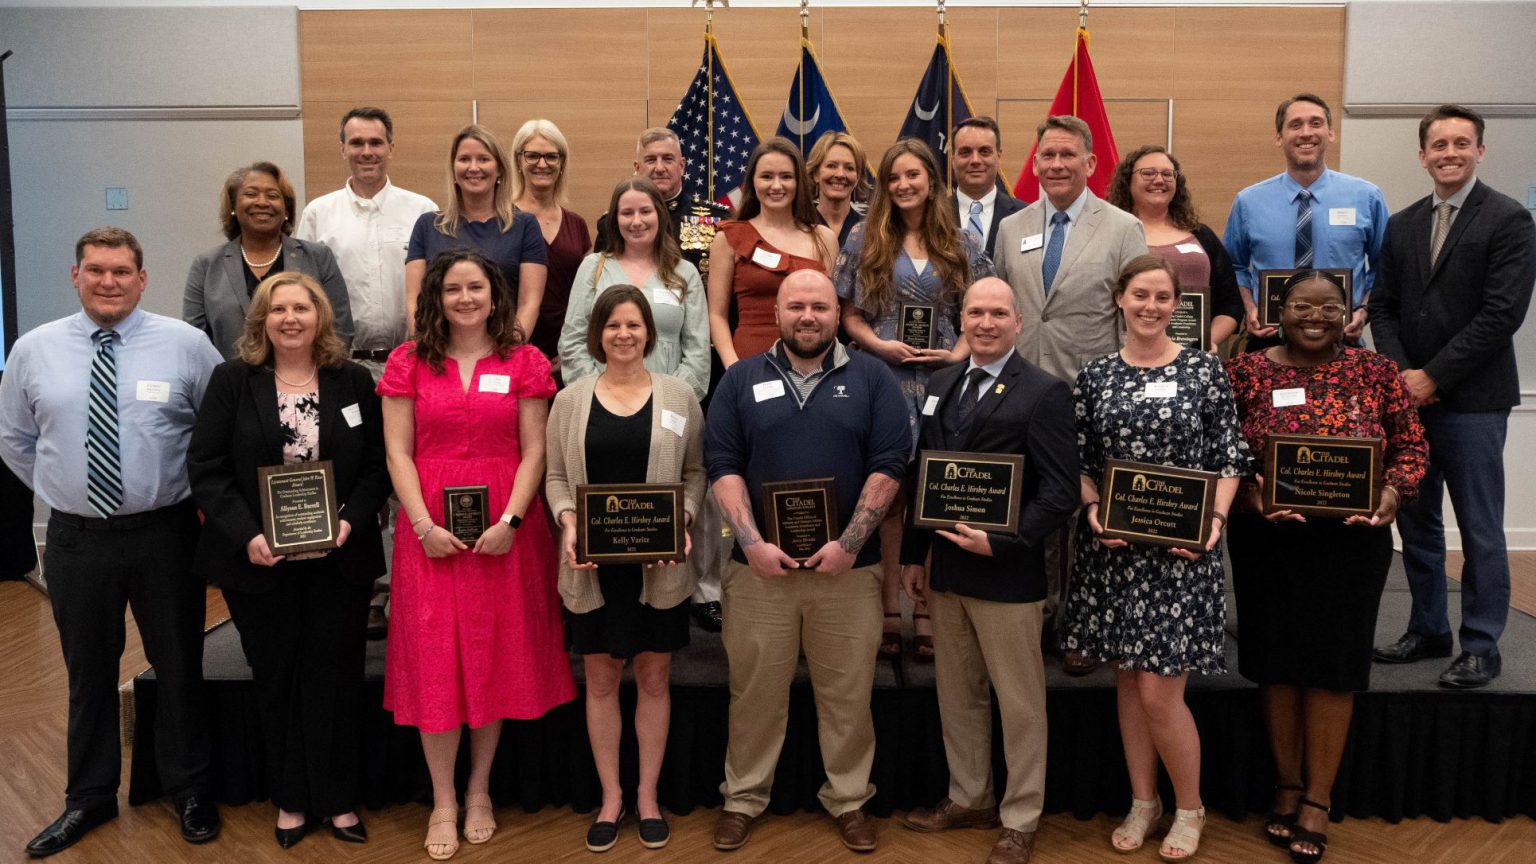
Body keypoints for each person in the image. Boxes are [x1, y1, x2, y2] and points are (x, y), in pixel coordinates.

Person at [1, 228, 224, 856]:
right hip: (77, 540)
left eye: (122, 271)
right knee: (88, 674)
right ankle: (88, 798)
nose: (109, 282)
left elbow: (213, 433)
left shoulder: (186, 345)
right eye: (96, 270)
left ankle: (191, 789)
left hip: (167, 534)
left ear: (143, 279)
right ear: (76, 276)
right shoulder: (34, 350)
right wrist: (65, 491)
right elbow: (15, 442)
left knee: (180, 666)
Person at [379, 249, 575, 860]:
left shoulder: (524, 361)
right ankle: (442, 799)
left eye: (477, 288)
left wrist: (513, 520)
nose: (466, 298)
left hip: (506, 530)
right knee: (437, 657)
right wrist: (420, 524)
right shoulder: (408, 361)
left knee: (490, 656)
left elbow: (535, 451)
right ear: (435, 297)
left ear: (496, 297)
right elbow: (397, 453)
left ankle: (480, 791)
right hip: (427, 528)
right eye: (453, 289)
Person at [1226, 270, 1427, 864]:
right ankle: (1286, 784)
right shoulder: (1248, 371)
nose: (1315, 317)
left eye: (1329, 307)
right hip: (1268, 539)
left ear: (1348, 314)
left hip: (1350, 542)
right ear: (1279, 311)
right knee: (1279, 663)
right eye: (1302, 306)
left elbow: (1411, 444)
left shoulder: (1377, 371)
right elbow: (1224, 448)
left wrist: (1392, 495)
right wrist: (1252, 498)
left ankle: (1318, 797)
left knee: (1334, 666)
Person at [705, 269, 909, 853]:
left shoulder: (872, 378)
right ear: (779, 312)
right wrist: (748, 541)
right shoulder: (741, 379)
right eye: (797, 306)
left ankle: (849, 800)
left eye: (820, 306)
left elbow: (891, 462)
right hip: (757, 573)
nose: (808, 317)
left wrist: (848, 543)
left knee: (847, 696)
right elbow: (722, 464)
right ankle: (743, 797)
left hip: (849, 570)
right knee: (754, 693)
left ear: (834, 312)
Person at [187, 272, 390, 848]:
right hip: (259, 560)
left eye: (303, 307)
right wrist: (248, 534)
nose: (291, 318)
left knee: (335, 677)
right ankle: (292, 799)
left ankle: (338, 798)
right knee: (276, 678)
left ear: (320, 316)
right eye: (279, 309)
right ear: (262, 319)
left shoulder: (351, 380)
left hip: (338, 560)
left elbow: (378, 464)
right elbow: (206, 468)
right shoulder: (233, 380)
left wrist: (350, 519)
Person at [1066, 256, 1248, 861]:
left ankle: (1190, 807)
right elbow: (1084, 463)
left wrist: (1214, 525)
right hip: (1116, 555)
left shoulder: (1204, 371)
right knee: (1127, 682)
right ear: (1119, 299)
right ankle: (1144, 801)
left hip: (1181, 554)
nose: (1150, 306)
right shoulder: (1095, 376)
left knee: (1159, 694)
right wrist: (1093, 513)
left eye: (1162, 297)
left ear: (1178, 304)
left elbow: (1228, 458)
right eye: (1139, 294)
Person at [898, 277, 1078, 864]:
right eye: (975, 312)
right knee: (958, 696)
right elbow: (927, 474)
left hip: (1007, 576)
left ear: (1017, 322)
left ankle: (1021, 816)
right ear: (962, 320)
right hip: (947, 573)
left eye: (998, 313)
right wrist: (912, 555)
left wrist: (1004, 540)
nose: (986, 322)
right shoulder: (943, 383)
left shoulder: (1045, 393)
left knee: (1020, 704)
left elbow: (1059, 495)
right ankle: (969, 796)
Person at [1368, 104, 1536, 688]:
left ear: (1480, 151)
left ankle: (1483, 645)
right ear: (1422, 154)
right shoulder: (1402, 222)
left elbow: (1501, 315)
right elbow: (1384, 306)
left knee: (1480, 528)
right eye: (1438, 145)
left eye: (1461, 143)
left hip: (1473, 403)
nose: (1449, 153)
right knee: (1415, 524)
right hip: (1409, 402)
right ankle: (1428, 627)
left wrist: (1433, 376)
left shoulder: (1509, 219)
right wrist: (1401, 374)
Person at [546, 285, 707, 853]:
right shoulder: (570, 399)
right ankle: (612, 796)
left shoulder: (679, 395)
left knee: (656, 678)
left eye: (634, 324)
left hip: (658, 564)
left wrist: (682, 518)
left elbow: (694, 473)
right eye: (613, 325)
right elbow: (556, 479)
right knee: (601, 681)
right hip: (591, 567)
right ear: (597, 334)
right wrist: (568, 521)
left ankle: (646, 795)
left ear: (649, 332)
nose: (623, 334)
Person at [993, 115, 1147, 674]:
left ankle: (1082, 626)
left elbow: (1135, 311)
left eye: (1067, 156)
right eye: (1047, 156)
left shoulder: (1124, 226)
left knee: (1086, 515)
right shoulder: (1013, 226)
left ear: (1089, 163)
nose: (1056, 165)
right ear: (1033, 164)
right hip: (1023, 394)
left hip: (1092, 391)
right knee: (1033, 507)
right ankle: (1037, 614)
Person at [834, 138, 995, 660]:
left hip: (946, 384)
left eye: (914, 176)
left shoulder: (963, 240)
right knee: (887, 499)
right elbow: (847, 313)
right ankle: (887, 610)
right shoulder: (863, 237)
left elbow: (984, 306)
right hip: (882, 379)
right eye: (894, 177)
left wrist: (959, 355)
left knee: (937, 495)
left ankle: (926, 609)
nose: (904, 185)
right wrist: (879, 344)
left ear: (931, 180)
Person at [295, 105, 437, 638]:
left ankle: (404, 588)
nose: (367, 152)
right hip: (343, 368)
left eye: (376, 142)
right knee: (356, 477)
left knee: (408, 478)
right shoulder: (319, 214)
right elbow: (306, 292)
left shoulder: (422, 210)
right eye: (356, 143)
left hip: (407, 364)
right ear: (344, 148)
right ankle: (364, 590)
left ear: (391, 147)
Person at [1223, 94, 1389, 351]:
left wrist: (1364, 309)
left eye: (1316, 123)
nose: (1306, 133)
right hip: (1269, 339)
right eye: (1295, 125)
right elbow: (1234, 266)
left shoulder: (1366, 197)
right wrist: (1250, 307)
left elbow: (1384, 265)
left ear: (1330, 133)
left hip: (1342, 339)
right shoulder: (1248, 201)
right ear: (1279, 137)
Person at [185, 161, 353, 359]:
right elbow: (194, 340)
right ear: (233, 206)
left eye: (272, 196)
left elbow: (340, 329)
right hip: (232, 386)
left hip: (307, 382)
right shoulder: (206, 265)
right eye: (251, 194)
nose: (262, 202)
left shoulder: (318, 258)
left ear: (286, 209)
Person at [559, 178, 708, 399]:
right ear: (615, 219)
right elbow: (572, 341)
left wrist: (664, 399)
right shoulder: (593, 268)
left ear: (659, 214)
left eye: (645, 211)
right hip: (600, 402)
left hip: (667, 405)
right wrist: (599, 395)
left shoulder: (685, 273)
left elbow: (699, 355)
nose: (636, 221)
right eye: (627, 213)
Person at [405, 125, 548, 341]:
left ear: (499, 169)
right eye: (464, 159)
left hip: (503, 353)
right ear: (453, 169)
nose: (473, 167)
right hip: (439, 355)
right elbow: (414, 301)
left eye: (483, 159)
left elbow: (529, 302)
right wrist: (429, 350)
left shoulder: (525, 226)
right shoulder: (427, 226)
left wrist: (507, 352)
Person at [707, 137, 839, 368]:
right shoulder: (728, 238)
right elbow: (716, 315)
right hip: (749, 360)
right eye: (767, 176)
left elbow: (830, 313)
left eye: (786, 177)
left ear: (799, 182)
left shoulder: (824, 238)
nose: (776, 186)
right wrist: (733, 367)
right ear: (753, 182)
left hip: (813, 364)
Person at [1106, 145, 1243, 351]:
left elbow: (1230, 302)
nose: (1159, 180)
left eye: (1167, 174)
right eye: (1148, 173)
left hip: (1193, 357)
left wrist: (1206, 341)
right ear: (1128, 181)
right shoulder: (1110, 233)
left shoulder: (1201, 235)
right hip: (1127, 354)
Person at [593, 127, 730, 276]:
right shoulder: (612, 223)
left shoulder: (718, 219)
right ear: (637, 168)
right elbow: (603, 280)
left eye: (668, 159)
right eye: (651, 160)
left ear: (682, 166)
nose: (659, 168)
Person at [510, 118, 591, 366]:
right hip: (510, 350)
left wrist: (571, 352)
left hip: (568, 356)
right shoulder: (500, 221)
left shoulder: (577, 225)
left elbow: (586, 298)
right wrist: (515, 349)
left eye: (551, 157)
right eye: (532, 156)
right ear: (518, 161)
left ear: (561, 163)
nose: (542, 164)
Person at [949, 116, 1025, 260]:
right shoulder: (932, 216)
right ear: (953, 159)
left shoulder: (1025, 216)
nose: (975, 160)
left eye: (984, 151)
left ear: (998, 156)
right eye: (965, 152)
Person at [806, 130, 868, 248]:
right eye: (831, 166)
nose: (840, 174)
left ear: (858, 178)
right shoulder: (799, 226)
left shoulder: (870, 229)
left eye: (849, 168)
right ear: (815, 174)